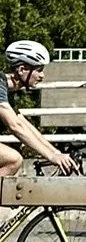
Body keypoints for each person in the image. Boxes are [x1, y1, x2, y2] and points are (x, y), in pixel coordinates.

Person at [0, 40, 81, 179]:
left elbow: (24, 124)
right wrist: (51, 156)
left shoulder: (6, 91)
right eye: (38, 70)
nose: (42, 75)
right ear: (21, 70)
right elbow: (15, 126)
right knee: (13, 159)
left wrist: (56, 153)